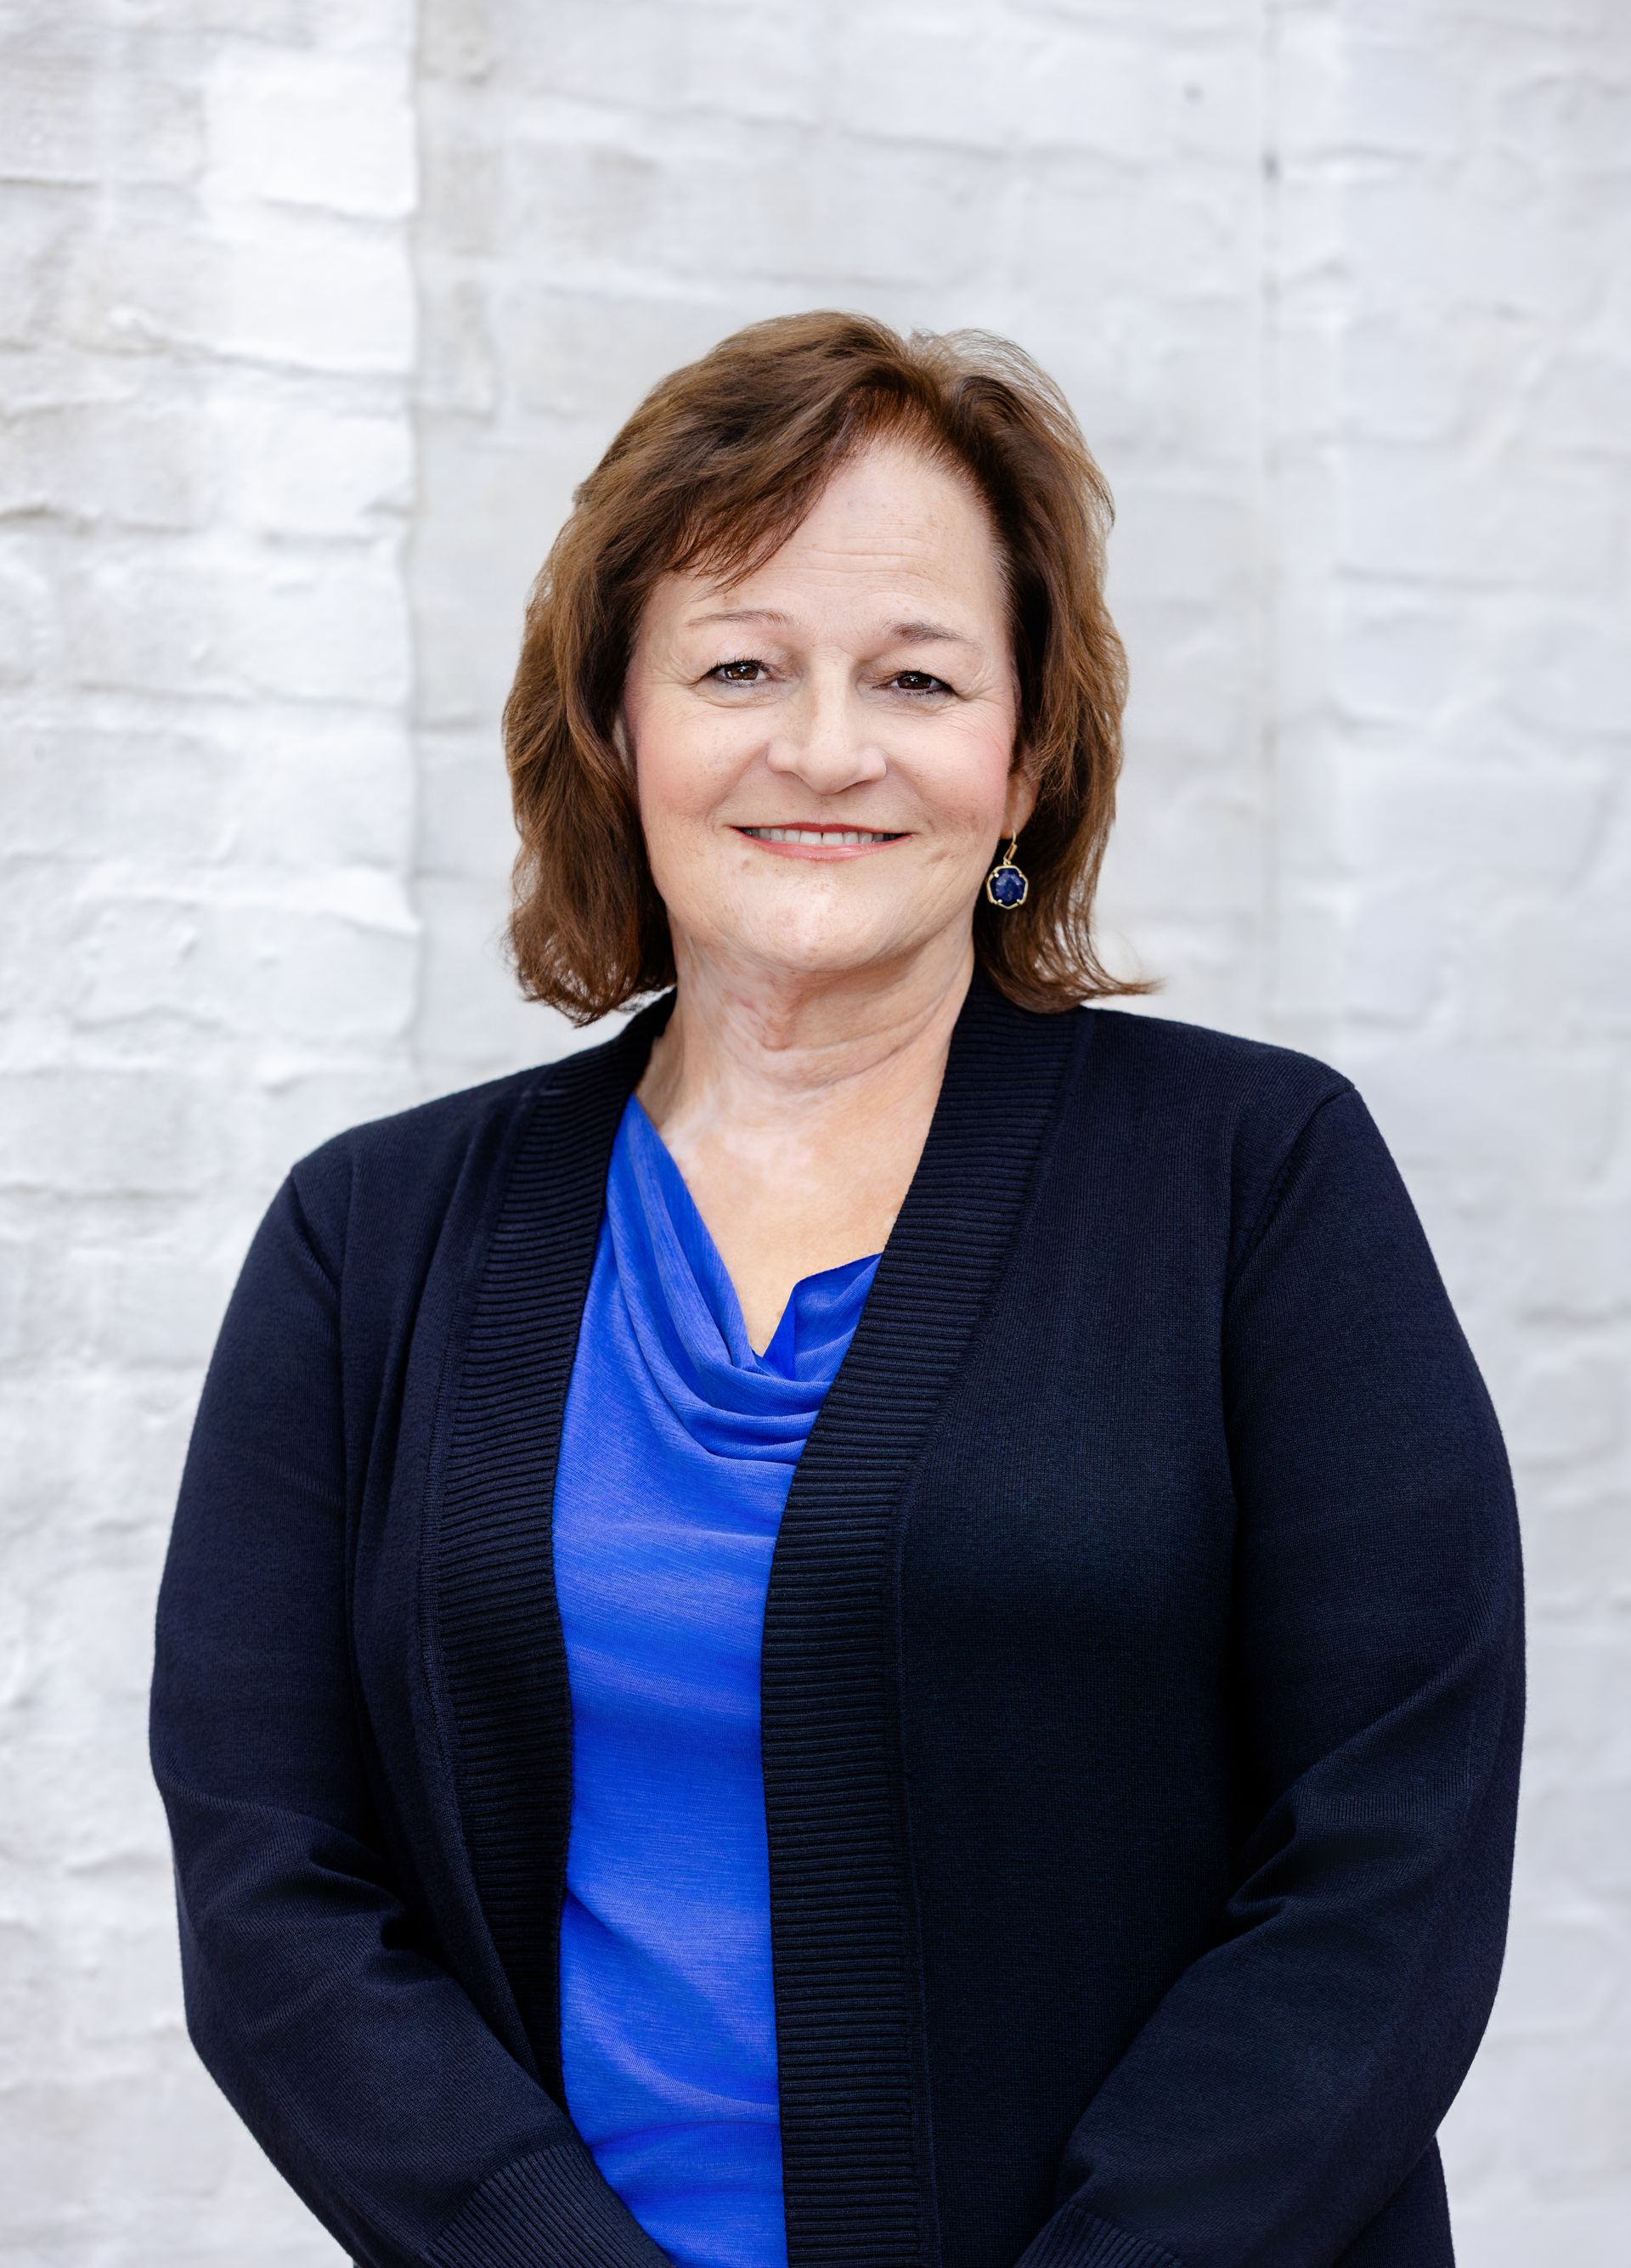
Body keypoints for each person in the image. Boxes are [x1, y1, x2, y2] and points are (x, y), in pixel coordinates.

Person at [148, 312, 1524, 2268]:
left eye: (915, 675)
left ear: (1027, 750)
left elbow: (1392, 1855)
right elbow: (272, 1890)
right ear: (620, 729)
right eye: (737, 666)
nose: (824, 746)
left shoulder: (1255, 1179)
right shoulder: (369, 1241)